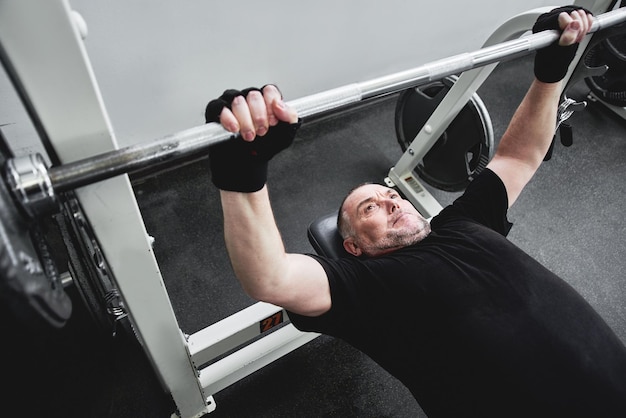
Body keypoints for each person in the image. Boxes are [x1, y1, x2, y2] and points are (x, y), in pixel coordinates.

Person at [205, 6, 626, 417]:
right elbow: (270, 277)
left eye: (392, 197)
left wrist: (552, 69)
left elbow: (516, 157)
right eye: (370, 206)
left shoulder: (463, 221)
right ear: (352, 246)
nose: (391, 200)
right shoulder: (367, 289)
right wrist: (242, 175)